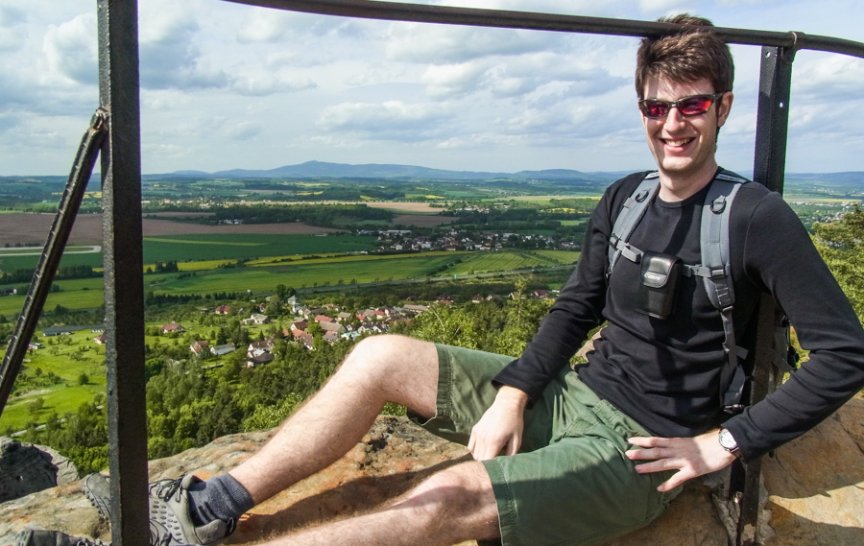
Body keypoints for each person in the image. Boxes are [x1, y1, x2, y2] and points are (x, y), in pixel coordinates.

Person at [21, 13, 864, 546]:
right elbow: (575, 306)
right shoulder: (625, 197)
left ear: (722, 108)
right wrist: (515, 393)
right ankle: (209, 508)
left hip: (644, 451)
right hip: (573, 395)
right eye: (656, 105)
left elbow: (842, 354)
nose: (673, 123)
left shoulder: (754, 217)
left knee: (445, 496)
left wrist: (723, 444)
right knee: (380, 353)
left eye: (692, 105)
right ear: (640, 107)